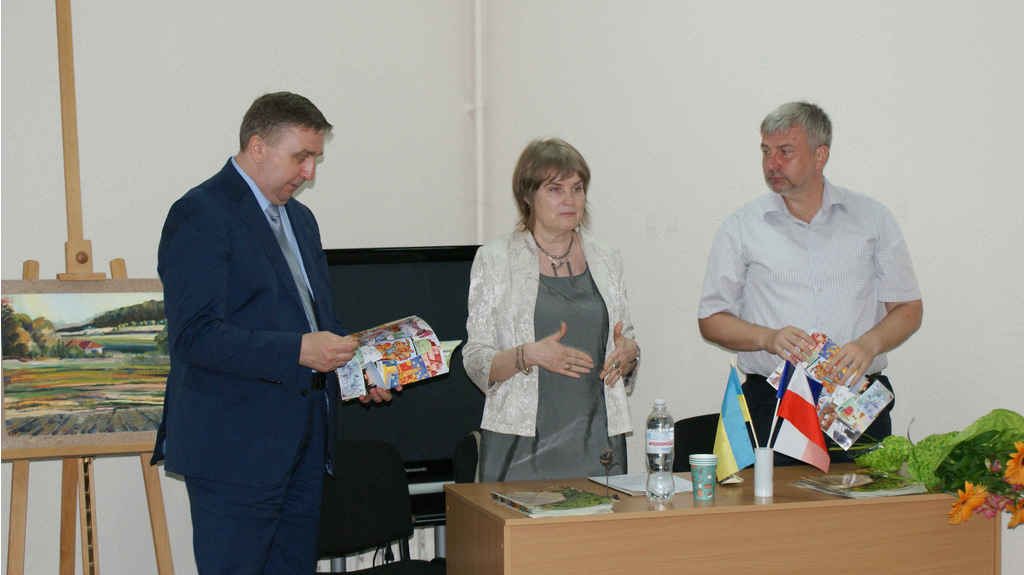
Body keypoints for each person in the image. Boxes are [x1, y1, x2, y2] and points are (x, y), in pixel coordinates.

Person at [150, 92, 392, 573]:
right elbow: (195, 336)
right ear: (258, 146)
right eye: (301, 157)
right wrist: (301, 350)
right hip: (233, 453)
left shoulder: (301, 219)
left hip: (304, 448)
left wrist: (359, 370)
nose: (310, 173)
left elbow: (318, 323)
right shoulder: (200, 213)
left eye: (315, 158)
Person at [697, 101, 923, 462]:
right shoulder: (742, 227)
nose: (772, 163)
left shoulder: (872, 219)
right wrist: (768, 338)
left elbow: (908, 308)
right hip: (775, 404)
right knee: (775, 501)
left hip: (857, 402)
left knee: (866, 499)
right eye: (766, 151)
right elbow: (710, 320)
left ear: (820, 156)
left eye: (785, 151)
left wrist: (869, 345)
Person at [463, 138, 641, 482]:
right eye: (556, 189)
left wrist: (629, 353)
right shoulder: (495, 259)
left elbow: (626, 338)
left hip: (597, 440)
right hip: (520, 443)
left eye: (577, 188)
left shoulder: (606, 258)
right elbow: (475, 359)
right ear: (528, 196)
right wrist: (528, 355)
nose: (570, 200)